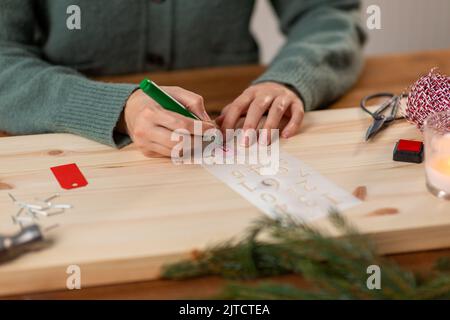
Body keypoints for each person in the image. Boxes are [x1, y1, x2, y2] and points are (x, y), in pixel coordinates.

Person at [0, 0, 365, 157]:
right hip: (71, 141)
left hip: (231, 125)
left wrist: (290, 79)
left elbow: (327, 14)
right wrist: (117, 106)